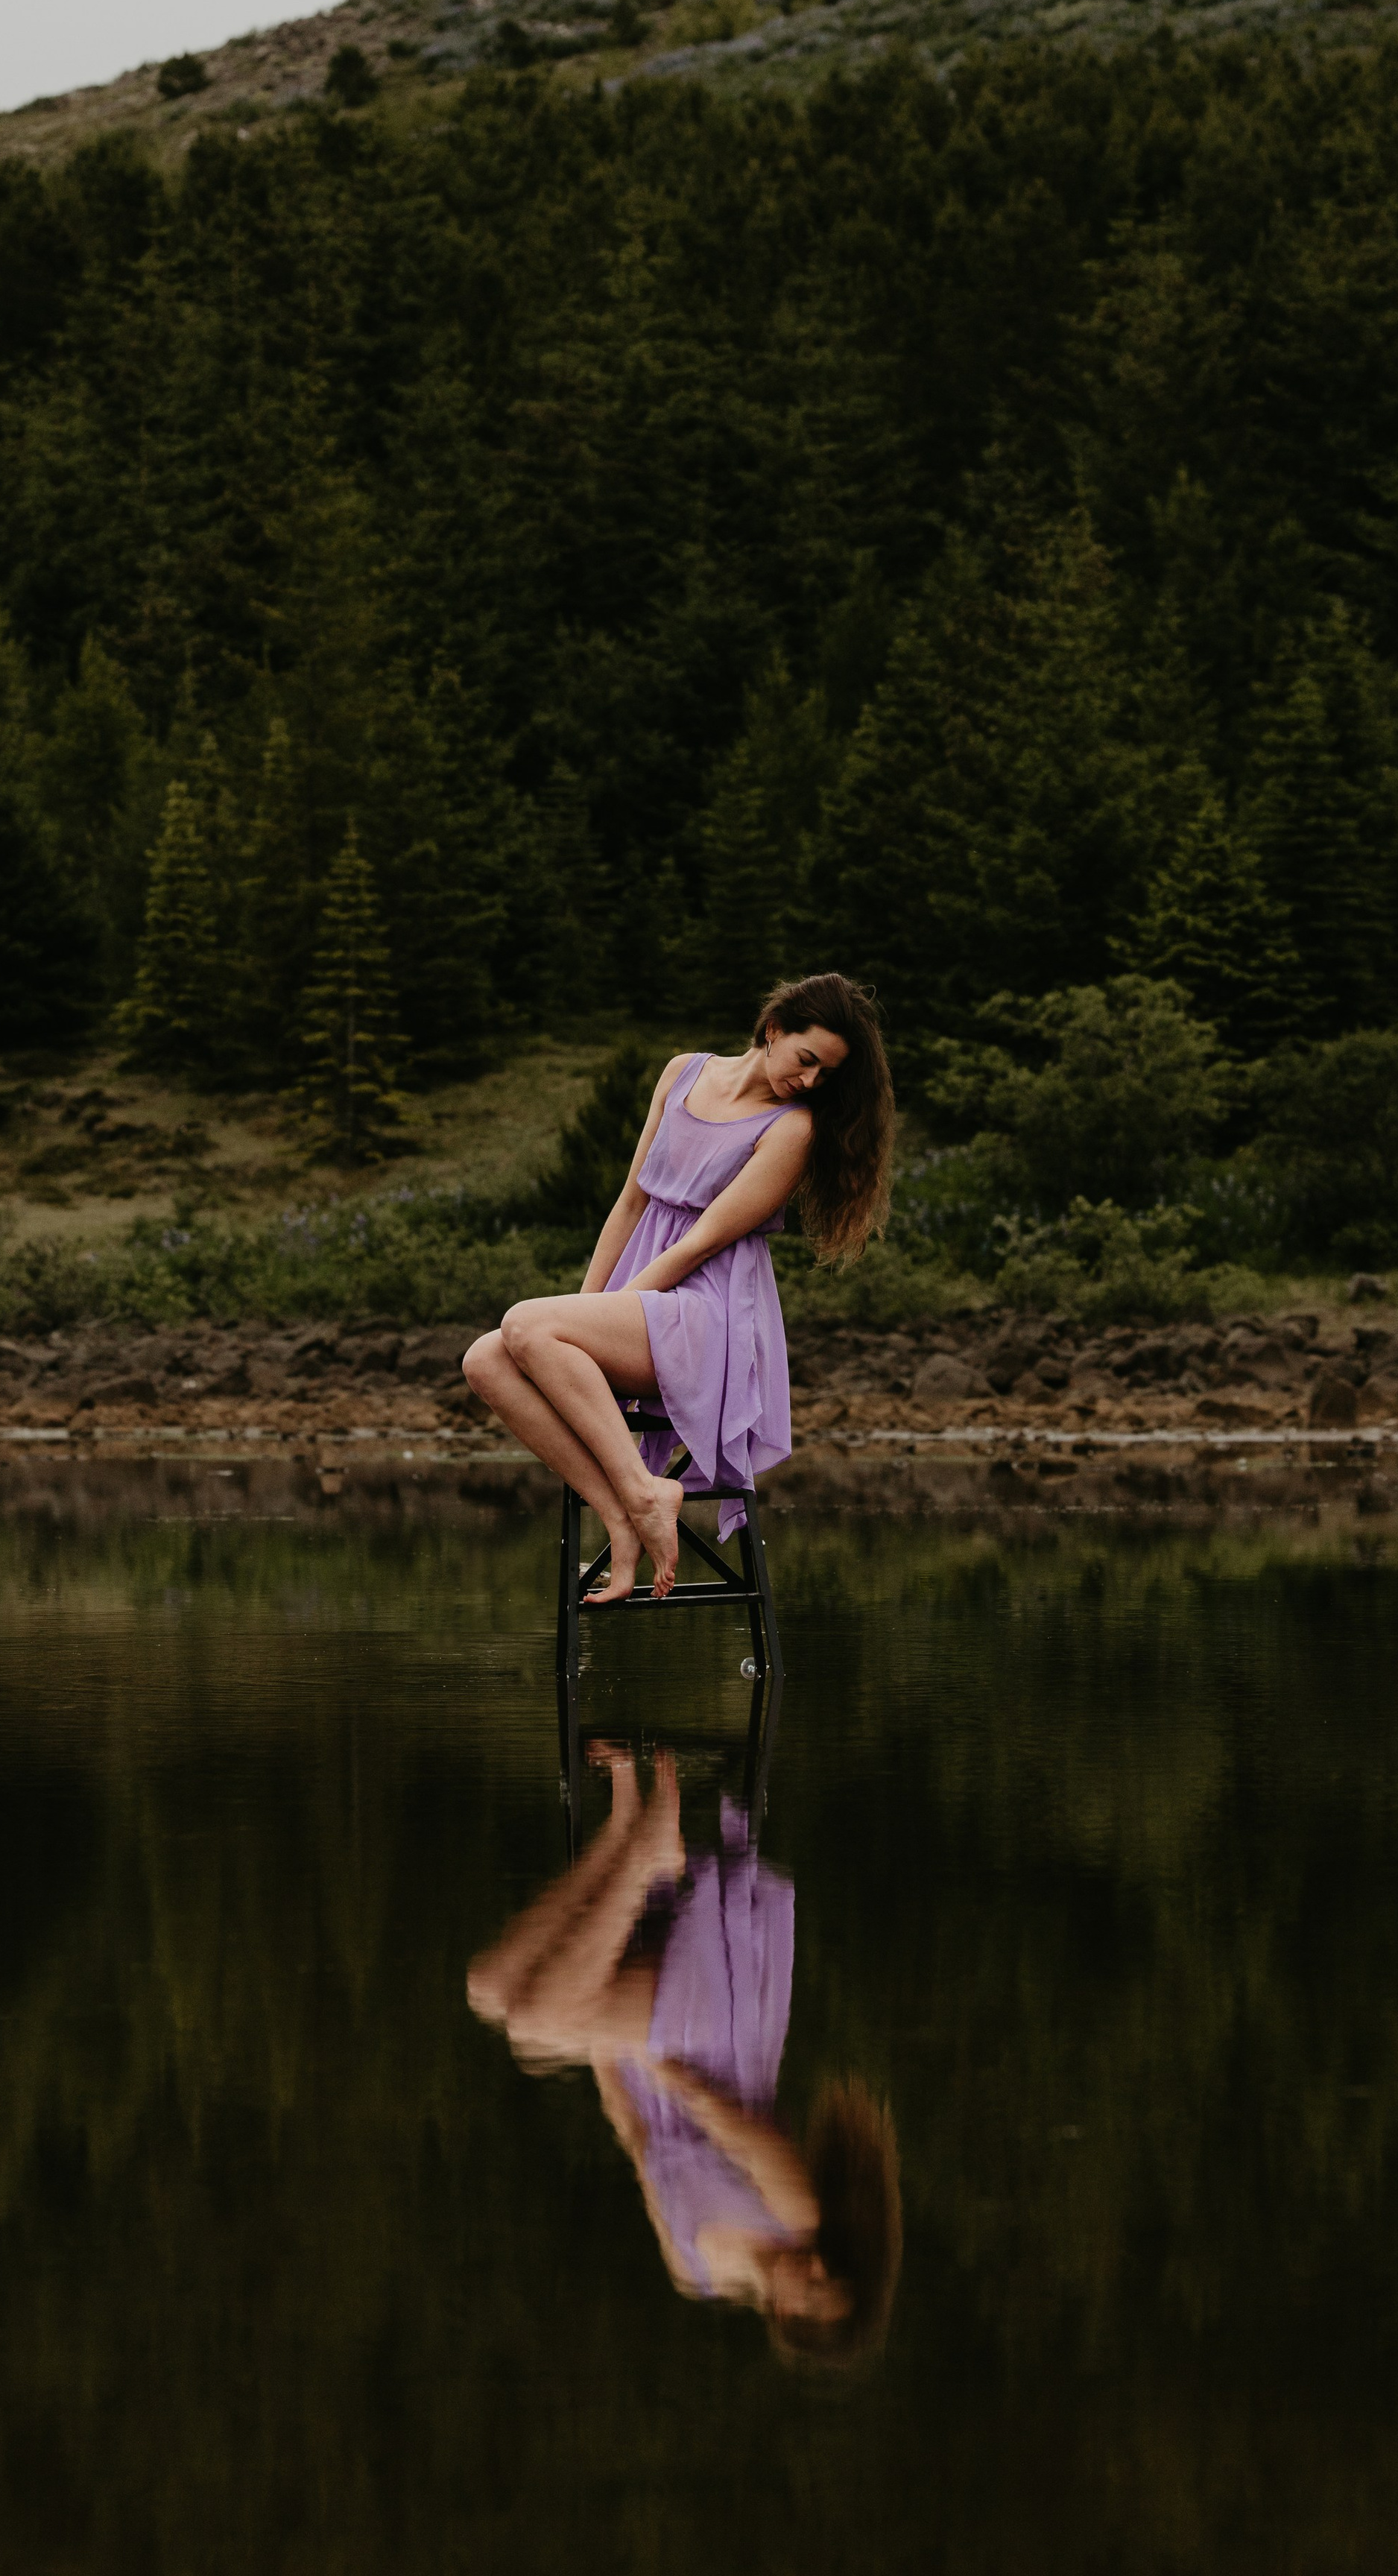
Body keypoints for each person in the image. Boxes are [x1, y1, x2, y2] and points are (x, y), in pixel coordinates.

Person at [466, 1745, 902, 2367]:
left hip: (652, 2066)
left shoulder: (691, 2267)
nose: (814, 2266)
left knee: (491, 1992)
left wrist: (605, 2056)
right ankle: (643, 1854)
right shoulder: (797, 2214)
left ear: (783, 2313)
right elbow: (727, 2119)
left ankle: (622, 1833)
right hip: (710, 2041)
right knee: (537, 2019)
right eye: (830, 2272)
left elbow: (640, 2143)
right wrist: (645, 2057)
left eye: (812, 2289)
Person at [464, 974, 895, 1601]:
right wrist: (584, 1309)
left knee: (527, 1324)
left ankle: (643, 1494)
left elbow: (701, 1243)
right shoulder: (684, 1072)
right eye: (806, 1061)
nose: (809, 1083)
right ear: (774, 1029)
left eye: (824, 1076)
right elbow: (632, 1202)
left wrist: (586, 1316)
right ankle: (623, 1514)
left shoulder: (792, 1129)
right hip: (642, 1303)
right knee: (486, 1358)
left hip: (706, 1316)